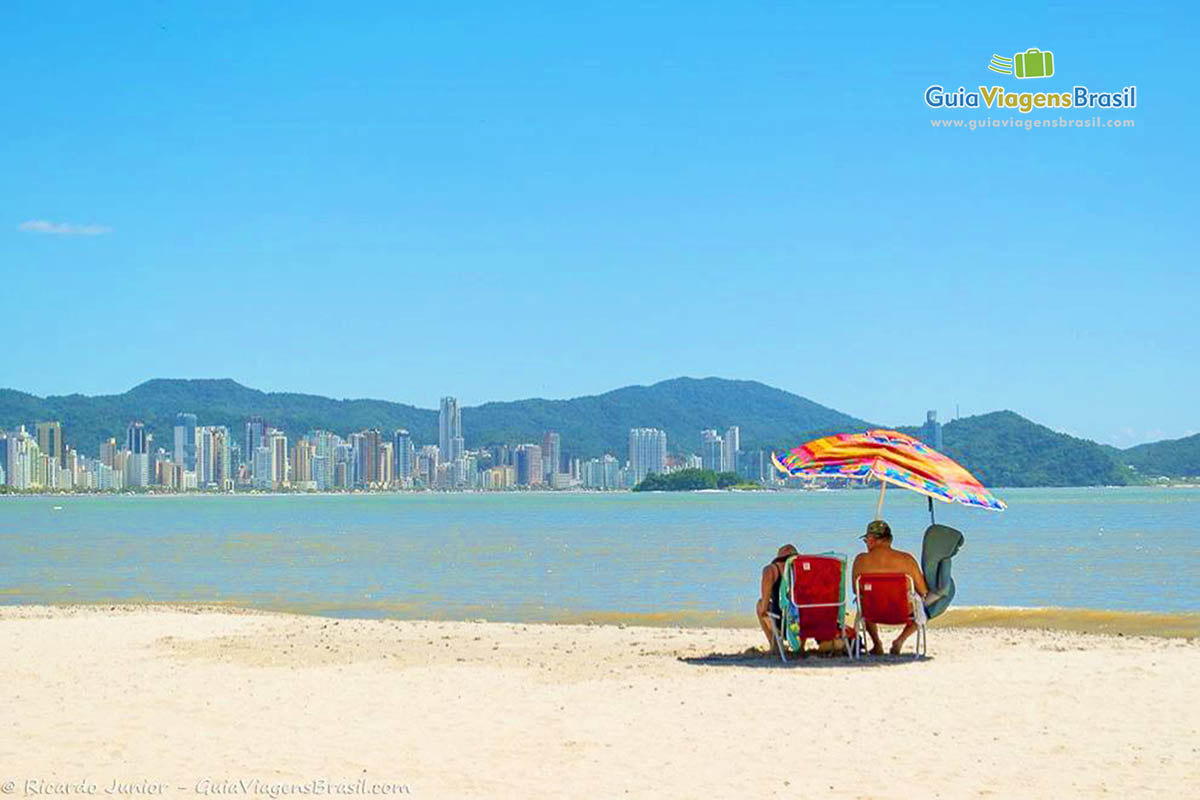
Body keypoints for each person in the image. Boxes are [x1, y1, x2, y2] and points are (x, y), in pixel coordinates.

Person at [851, 519, 929, 655]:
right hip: (903, 612)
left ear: (871, 539)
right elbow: (923, 591)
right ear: (890, 540)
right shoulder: (907, 560)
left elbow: (855, 590)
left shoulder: (860, 561)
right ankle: (900, 640)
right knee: (928, 604)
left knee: (865, 598)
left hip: (871, 612)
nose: (866, 544)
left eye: (866, 541)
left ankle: (877, 644)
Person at [756, 543, 798, 651]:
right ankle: (801, 647)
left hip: (784, 624)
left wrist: (764, 609)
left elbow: (764, 609)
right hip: (807, 624)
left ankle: (775, 644)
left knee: (760, 605)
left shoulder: (771, 570)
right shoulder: (807, 570)